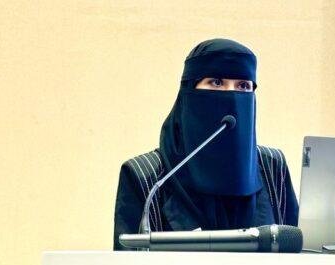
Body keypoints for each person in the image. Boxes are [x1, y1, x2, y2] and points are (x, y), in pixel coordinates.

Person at [113, 38, 299, 249]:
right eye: (216, 82)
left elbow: (297, 251)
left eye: (243, 86)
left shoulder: (272, 168)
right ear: (188, 90)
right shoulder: (146, 178)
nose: (231, 96)